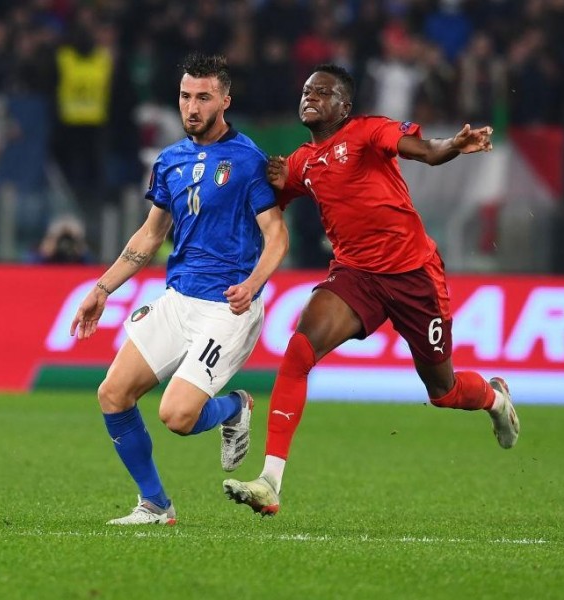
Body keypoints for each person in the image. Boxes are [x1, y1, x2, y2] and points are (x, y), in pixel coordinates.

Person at [223, 64, 520, 516]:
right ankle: (270, 480)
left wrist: (454, 146)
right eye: (307, 90)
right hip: (356, 276)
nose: (311, 97)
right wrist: (271, 184)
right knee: (299, 352)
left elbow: (425, 151)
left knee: (443, 391)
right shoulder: (302, 161)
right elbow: (271, 204)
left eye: (323, 92)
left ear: (344, 106)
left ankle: (495, 397)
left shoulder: (368, 131)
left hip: (414, 276)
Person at [70, 53, 289, 525]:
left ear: (225, 101)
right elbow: (150, 235)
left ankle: (234, 407)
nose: (192, 107)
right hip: (178, 301)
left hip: (226, 309)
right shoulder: (170, 160)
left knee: (178, 417)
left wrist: (253, 284)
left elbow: (277, 236)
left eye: (204, 97)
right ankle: (155, 504)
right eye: (186, 96)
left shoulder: (248, 160)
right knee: (113, 394)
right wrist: (102, 288)